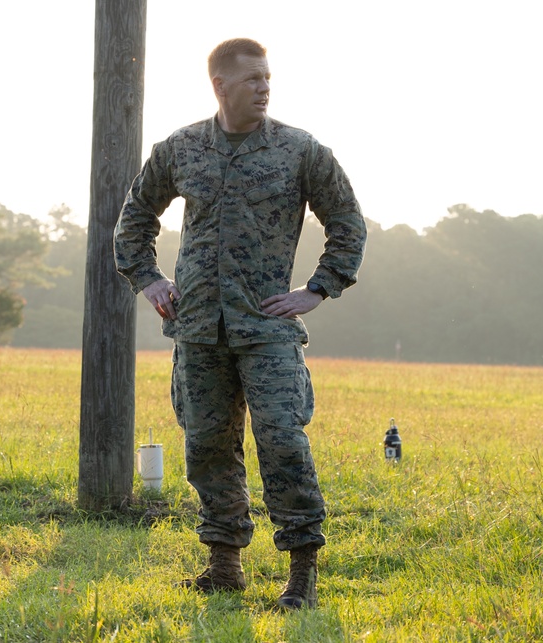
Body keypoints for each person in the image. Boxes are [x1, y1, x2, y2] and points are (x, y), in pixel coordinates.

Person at [113, 38, 366, 608]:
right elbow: (134, 220)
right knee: (206, 445)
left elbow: (347, 222)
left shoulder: (300, 151)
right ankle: (224, 564)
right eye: (252, 78)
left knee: (282, 442)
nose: (264, 87)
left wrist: (319, 288)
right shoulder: (181, 149)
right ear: (220, 86)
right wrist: (148, 279)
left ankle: (301, 574)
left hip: (268, 329)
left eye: (268, 78)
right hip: (198, 327)